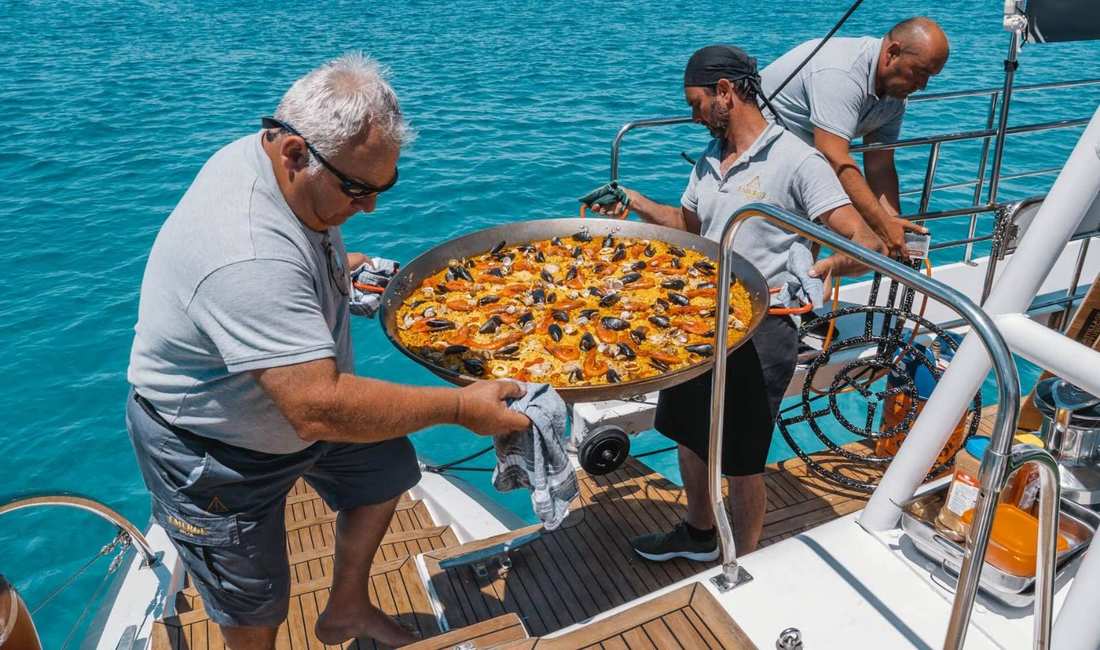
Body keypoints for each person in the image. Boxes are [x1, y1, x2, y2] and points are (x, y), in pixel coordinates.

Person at [125, 53, 529, 650]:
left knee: (387, 468)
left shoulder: (276, 160)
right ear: (292, 153)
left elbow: (295, 264)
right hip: (211, 446)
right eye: (359, 190)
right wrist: (460, 409)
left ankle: (346, 609)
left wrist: (341, 268)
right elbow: (317, 406)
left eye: (383, 187)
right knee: (254, 598)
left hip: (297, 404)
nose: (369, 208)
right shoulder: (248, 254)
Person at [588, 45, 884, 559]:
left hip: (763, 327)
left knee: (742, 461)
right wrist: (633, 202)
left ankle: (744, 564)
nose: (692, 114)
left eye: (697, 102)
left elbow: (867, 245)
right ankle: (700, 535)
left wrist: (824, 266)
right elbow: (690, 228)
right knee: (685, 431)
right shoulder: (709, 160)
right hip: (700, 318)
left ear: (726, 93)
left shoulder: (798, 159)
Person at [760, 17, 949, 257]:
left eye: (930, 76)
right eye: (920, 72)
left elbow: (879, 165)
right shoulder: (842, 72)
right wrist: (881, 225)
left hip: (806, 153)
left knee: (812, 247)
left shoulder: (896, 94)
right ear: (892, 52)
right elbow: (833, 157)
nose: (923, 85)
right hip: (762, 147)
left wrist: (894, 226)